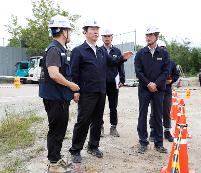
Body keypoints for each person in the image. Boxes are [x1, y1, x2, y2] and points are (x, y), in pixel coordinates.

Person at [69, 19, 133, 163]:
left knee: (98, 121)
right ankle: (75, 150)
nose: (96, 31)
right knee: (83, 121)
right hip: (86, 92)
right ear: (85, 32)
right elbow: (73, 73)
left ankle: (93, 146)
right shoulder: (78, 51)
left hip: (101, 91)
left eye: (97, 29)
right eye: (92, 29)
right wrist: (75, 90)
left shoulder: (102, 51)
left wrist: (122, 58)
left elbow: (113, 63)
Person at [39, 15, 80, 173]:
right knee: (56, 131)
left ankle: (55, 158)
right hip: (54, 98)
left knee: (60, 130)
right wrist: (71, 86)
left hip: (60, 97)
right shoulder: (54, 49)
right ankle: (54, 165)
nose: (70, 33)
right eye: (69, 30)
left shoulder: (61, 49)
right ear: (64, 32)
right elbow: (54, 74)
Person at [134, 26, 170, 154]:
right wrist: (148, 83)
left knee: (158, 115)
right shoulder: (140, 53)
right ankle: (143, 142)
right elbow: (138, 71)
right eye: (147, 35)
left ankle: (159, 143)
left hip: (158, 89)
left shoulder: (163, 53)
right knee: (142, 114)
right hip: (144, 88)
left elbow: (166, 71)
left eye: (151, 35)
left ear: (156, 37)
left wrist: (156, 84)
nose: (148, 37)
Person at [149, 40, 179, 142]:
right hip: (155, 90)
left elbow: (176, 75)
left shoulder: (171, 63)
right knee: (155, 111)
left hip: (166, 90)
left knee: (166, 111)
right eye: (160, 48)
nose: (162, 50)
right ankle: (153, 130)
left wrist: (171, 81)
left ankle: (167, 131)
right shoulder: (152, 61)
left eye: (163, 48)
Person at [100, 29, 125, 137]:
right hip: (101, 82)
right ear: (102, 38)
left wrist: (122, 80)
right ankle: (99, 127)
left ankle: (113, 127)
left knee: (113, 106)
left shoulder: (117, 51)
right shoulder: (98, 50)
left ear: (112, 37)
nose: (106, 38)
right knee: (99, 106)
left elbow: (120, 66)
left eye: (108, 36)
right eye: (104, 36)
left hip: (113, 83)